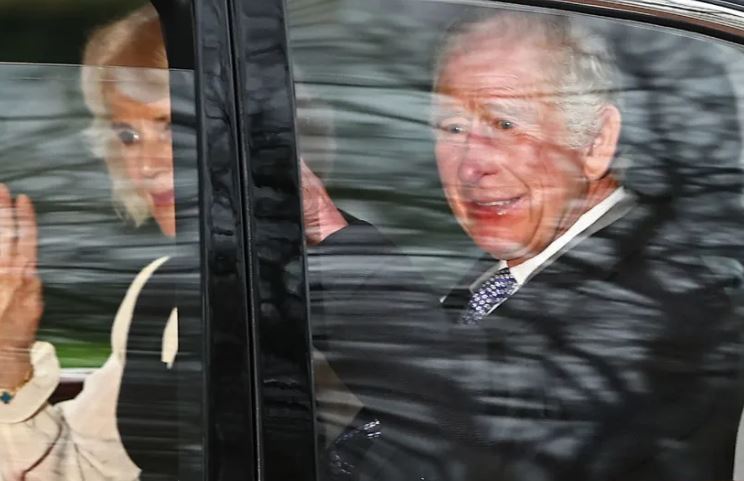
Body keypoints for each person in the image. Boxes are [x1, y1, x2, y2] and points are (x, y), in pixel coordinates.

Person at [305, 10, 744, 481]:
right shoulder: (506, 272)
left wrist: (332, 235)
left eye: (505, 124)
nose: (471, 165)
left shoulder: (663, 295)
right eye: (453, 128)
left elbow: (482, 421)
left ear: (596, 142)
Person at [0, 5, 184, 480]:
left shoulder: (322, 289)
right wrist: (9, 353)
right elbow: (81, 468)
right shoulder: (161, 291)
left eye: (170, 125)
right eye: (128, 134)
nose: (145, 165)